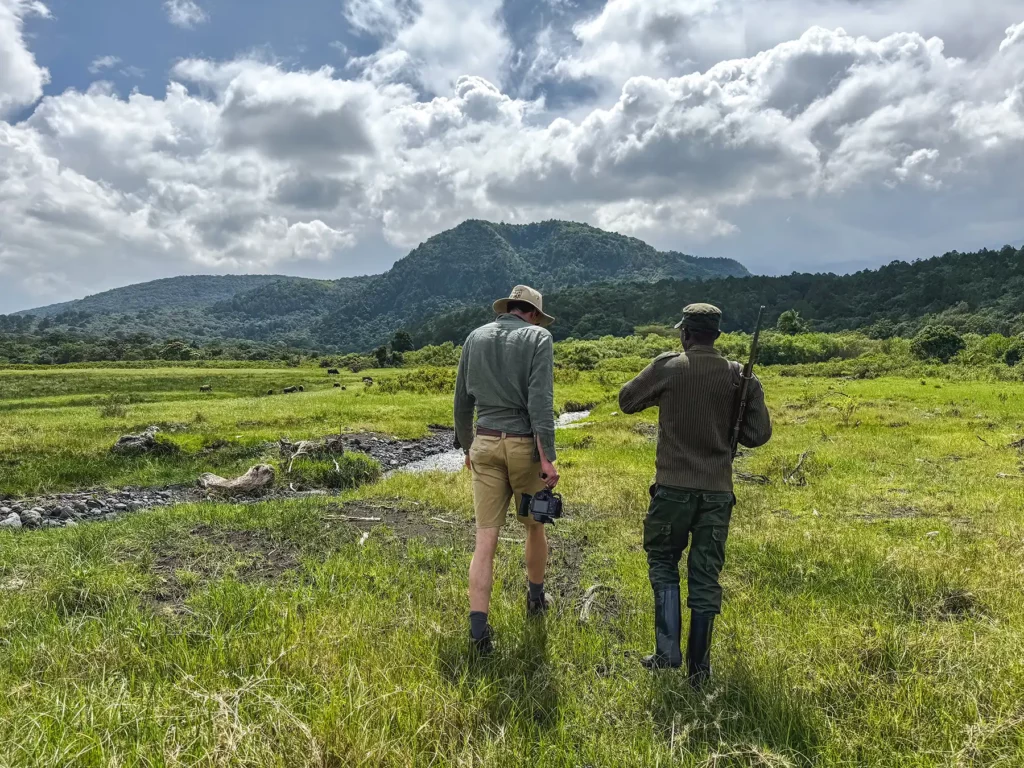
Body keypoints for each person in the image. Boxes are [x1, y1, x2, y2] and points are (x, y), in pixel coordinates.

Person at [618, 303, 772, 685]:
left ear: (685, 334)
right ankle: (699, 670)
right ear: (716, 336)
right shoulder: (742, 377)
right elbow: (758, 435)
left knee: (663, 562)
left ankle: (667, 650)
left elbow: (627, 401)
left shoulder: (669, 366)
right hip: (717, 492)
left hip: (672, 489)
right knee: (705, 576)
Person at [454, 285, 560, 655]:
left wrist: (468, 445)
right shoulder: (539, 338)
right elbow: (540, 402)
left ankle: (479, 634)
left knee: (485, 541)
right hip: (523, 447)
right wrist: (547, 456)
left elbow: (461, 402)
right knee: (534, 526)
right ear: (532, 312)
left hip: (483, 443)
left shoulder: (474, 337)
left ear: (509, 309)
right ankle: (535, 599)